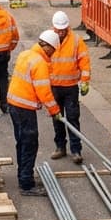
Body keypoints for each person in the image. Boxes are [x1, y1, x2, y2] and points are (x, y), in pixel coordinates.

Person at [6, 30, 63, 197]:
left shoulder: (26, 54)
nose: (53, 54)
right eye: (53, 50)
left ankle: (22, 175)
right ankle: (26, 184)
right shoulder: (40, 63)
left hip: (14, 104)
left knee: (22, 142)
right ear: (48, 47)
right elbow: (44, 92)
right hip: (25, 108)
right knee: (30, 144)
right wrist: (55, 111)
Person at [48, 10, 90, 163]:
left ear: (67, 28)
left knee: (72, 118)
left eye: (62, 30)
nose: (60, 33)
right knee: (57, 118)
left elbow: (84, 62)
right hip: (54, 87)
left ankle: (76, 150)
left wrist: (85, 81)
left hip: (71, 87)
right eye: (57, 30)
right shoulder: (48, 38)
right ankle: (60, 147)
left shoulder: (76, 41)